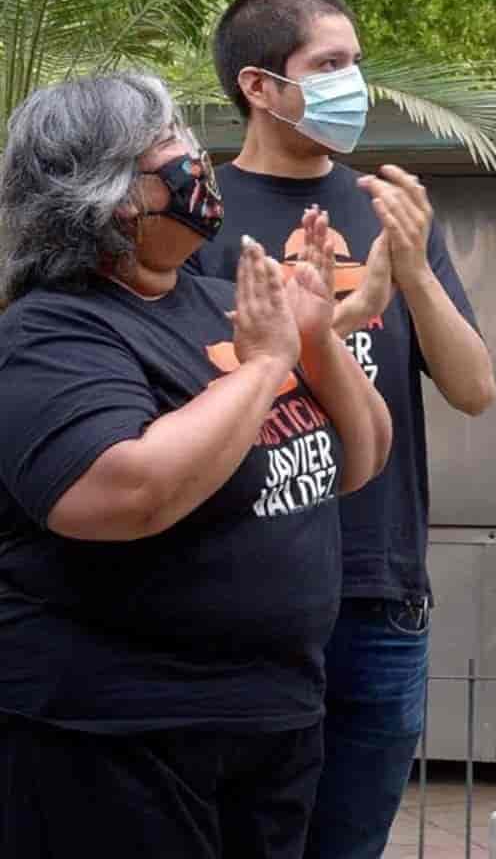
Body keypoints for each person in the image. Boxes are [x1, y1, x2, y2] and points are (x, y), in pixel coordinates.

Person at [0, 74, 391, 857]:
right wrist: (262, 368)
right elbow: (120, 494)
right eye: (164, 145)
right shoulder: (50, 333)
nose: (193, 161)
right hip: (118, 734)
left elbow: (360, 459)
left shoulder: (221, 303)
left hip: (272, 720)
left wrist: (315, 339)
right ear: (104, 196)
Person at [188, 0, 496, 859]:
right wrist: (330, 319)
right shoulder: (197, 216)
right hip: (249, 590)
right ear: (259, 85)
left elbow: (475, 389)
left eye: (357, 64)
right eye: (328, 66)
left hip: (380, 593)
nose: (353, 83)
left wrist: (414, 269)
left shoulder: (387, 208)